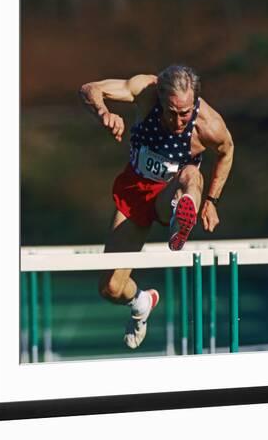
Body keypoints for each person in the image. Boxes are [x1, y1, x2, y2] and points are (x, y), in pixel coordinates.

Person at [79, 65, 234, 349]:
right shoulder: (146, 91)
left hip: (171, 192)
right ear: (161, 99)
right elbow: (91, 88)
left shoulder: (209, 124)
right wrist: (104, 114)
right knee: (110, 288)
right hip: (136, 191)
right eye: (171, 112)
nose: (178, 121)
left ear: (194, 103)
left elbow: (227, 151)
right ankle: (142, 300)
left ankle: (181, 216)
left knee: (190, 175)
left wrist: (211, 201)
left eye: (185, 113)